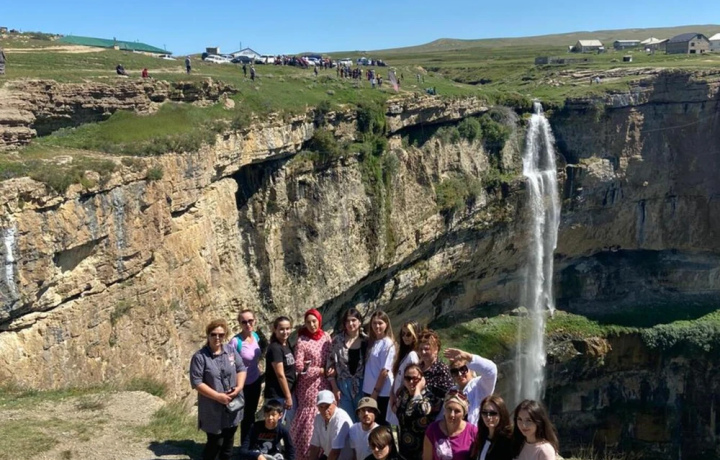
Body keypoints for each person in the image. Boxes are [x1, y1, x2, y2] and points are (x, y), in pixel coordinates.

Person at [190, 319, 248, 460]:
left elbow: (241, 368)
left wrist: (239, 387)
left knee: (228, 442)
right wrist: (217, 396)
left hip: (232, 405)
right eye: (213, 334)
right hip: (212, 408)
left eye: (221, 335)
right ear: (208, 335)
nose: (217, 338)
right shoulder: (200, 357)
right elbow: (197, 382)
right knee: (215, 443)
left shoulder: (231, 351)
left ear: (225, 335)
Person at [291, 309, 332, 459]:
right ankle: (305, 453)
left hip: (325, 383)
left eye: (314, 321)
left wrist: (330, 369)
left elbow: (331, 356)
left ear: (319, 321)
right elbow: (299, 367)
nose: (312, 325)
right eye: (308, 322)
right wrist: (320, 370)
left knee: (324, 412)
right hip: (307, 386)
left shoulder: (326, 337)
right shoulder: (302, 341)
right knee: (309, 418)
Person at [230, 309, 265, 444]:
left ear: (255, 321)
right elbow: (229, 364)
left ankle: (247, 445)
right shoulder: (235, 342)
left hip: (255, 381)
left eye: (250, 321)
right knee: (238, 415)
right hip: (241, 385)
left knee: (250, 415)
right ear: (239, 323)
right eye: (244, 322)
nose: (248, 324)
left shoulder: (255, 336)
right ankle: (230, 446)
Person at [328, 308, 368, 421]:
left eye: (353, 320)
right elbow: (329, 364)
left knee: (363, 420)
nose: (350, 324)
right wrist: (335, 388)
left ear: (359, 321)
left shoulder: (366, 340)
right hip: (343, 386)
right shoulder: (337, 341)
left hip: (362, 385)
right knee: (346, 420)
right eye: (347, 321)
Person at [442, 347, 497, 426]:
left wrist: (469, 357)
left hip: (476, 432)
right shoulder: (452, 391)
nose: (459, 374)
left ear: (471, 370)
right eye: (455, 372)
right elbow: (443, 415)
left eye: (463, 369)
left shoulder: (480, 386)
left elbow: (491, 370)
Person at [396, 364, 436, 459]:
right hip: (404, 448)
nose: (411, 382)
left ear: (422, 379)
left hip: (421, 450)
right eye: (408, 378)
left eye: (415, 378)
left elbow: (420, 410)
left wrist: (418, 389)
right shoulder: (404, 394)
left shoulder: (429, 396)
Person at [362, 310, 396, 425]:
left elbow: (384, 371)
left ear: (386, 324)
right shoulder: (372, 342)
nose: (377, 326)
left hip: (381, 393)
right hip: (368, 390)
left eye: (380, 323)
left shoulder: (388, 344)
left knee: (381, 426)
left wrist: (375, 393)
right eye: (374, 323)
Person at [423, 391, 477, 460]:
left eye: (457, 411)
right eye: (449, 409)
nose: (452, 415)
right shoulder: (433, 429)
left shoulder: (472, 431)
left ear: (464, 415)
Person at [264, 316, 297, 423]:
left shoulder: (286, 345)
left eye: (288, 328)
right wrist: (288, 397)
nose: (285, 332)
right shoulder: (275, 348)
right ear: (275, 330)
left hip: (287, 393)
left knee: (289, 426)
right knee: (275, 426)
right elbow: (280, 375)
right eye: (281, 329)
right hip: (278, 395)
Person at [388, 320, 420, 425]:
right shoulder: (404, 354)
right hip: (395, 399)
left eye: (409, 334)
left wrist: (398, 403)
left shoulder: (412, 355)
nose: (405, 337)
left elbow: (411, 382)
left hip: (402, 403)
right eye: (403, 334)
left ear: (415, 335)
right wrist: (392, 394)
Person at [308, 390, 354, 460]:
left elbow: (335, 452)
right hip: (329, 454)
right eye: (321, 407)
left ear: (335, 403)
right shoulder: (318, 418)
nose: (325, 410)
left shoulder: (340, 418)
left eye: (327, 406)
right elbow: (314, 447)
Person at [417, 329, 452, 414]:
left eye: (427, 349)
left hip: (433, 416)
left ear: (436, 349)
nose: (423, 352)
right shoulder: (417, 367)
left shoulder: (442, 370)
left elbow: (448, 396)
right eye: (420, 349)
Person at [470, 395, 513, 460]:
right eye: (484, 412)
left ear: (502, 414)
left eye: (493, 413)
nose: (488, 417)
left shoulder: (508, 441)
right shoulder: (481, 437)